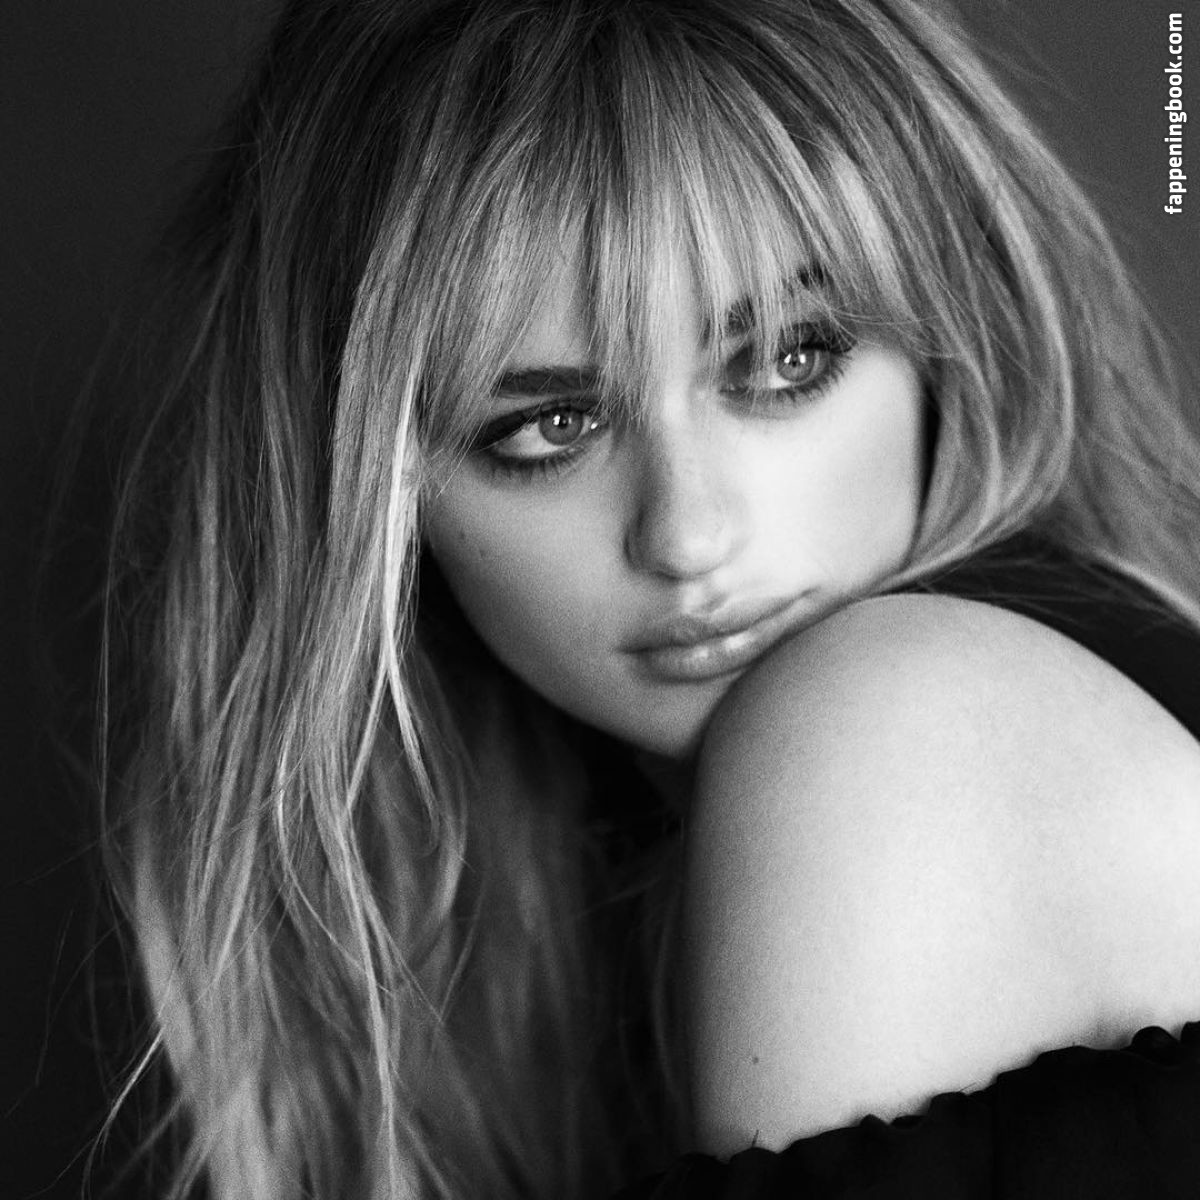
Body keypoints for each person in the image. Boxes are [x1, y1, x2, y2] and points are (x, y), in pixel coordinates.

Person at [95, 0, 1200, 1196]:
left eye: (787, 361)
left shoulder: (896, 723)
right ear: (379, 494)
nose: (686, 534)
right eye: (548, 427)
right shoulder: (583, 899)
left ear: (952, 337)